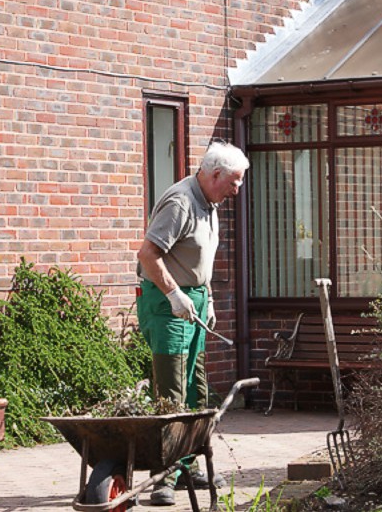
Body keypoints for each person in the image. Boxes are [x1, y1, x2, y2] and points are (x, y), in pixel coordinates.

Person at [136, 140, 249, 506]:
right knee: (171, 390)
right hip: (167, 302)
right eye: (234, 181)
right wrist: (173, 294)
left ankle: (186, 464)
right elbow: (148, 255)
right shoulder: (181, 203)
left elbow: (200, 260)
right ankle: (163, 479)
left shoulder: (210, 203)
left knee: (195, 388)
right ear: (215, 174)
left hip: (194, 299)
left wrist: (209, 298)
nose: (238, 189)